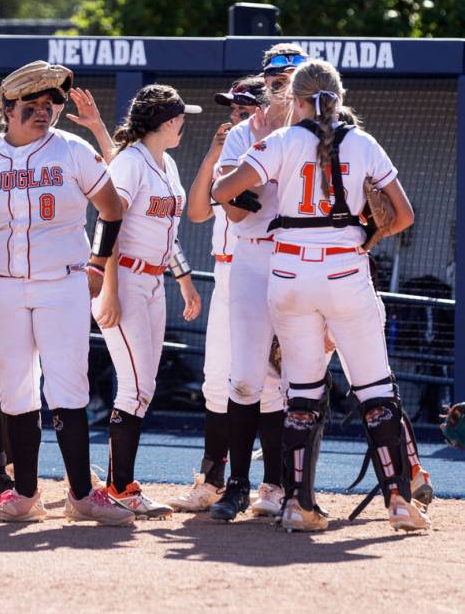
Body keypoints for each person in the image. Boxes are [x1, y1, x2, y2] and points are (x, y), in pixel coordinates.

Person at [213, 58, 430, 533]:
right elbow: (405, 214)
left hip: (287, 271)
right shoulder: (363, 141)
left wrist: (247, 189)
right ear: (339, 95)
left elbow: (223, 189)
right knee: (374, 388)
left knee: (301, 394)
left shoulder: (282, 141)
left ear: (295, 98)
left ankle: (298, 504)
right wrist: (367, 234)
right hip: (346, 269)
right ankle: (399, 501)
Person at [0, 60, 132, 525]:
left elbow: (112, 209)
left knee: (68, 384)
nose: (44, 112)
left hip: (61, 281)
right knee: (14, 387)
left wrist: (98, 264)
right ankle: (24, 494)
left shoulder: (72, 149)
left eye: (51, 104)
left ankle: (83, 494)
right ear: (7, 107)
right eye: (32, 105)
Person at [90, 84, 202, 518]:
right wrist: (110, 289)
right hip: (127, 282)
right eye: (179, 116)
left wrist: (185, 282)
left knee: (143, 389)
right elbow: (110, 225)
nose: (183, 123)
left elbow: (166, 234)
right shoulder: (132, 163)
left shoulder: (166, 163)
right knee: (135, 389)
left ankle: (120, 485)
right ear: (165, 121)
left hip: (153, 283)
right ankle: (121, 487)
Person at [208, 44, 306, 522]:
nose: (279, 83)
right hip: (252, 257)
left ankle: (285, 486)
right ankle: (238, 485)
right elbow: (232, 205)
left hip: (306, 262)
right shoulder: (245, 133)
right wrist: (259, 151)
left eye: (289, 75)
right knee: (246, 377)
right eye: (273, 75)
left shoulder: (322, 133)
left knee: (295, 381)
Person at [167, 77, 267, 512]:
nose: (235, 116)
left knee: (272, 386)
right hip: (226, 276)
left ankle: (279, 484)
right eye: (232, 109)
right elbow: (196, 211)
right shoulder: (227, 151)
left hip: (263, 273)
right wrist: (213, 153)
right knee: (215, 383)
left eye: (244, 109)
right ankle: (212, 479)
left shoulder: (273, 150)